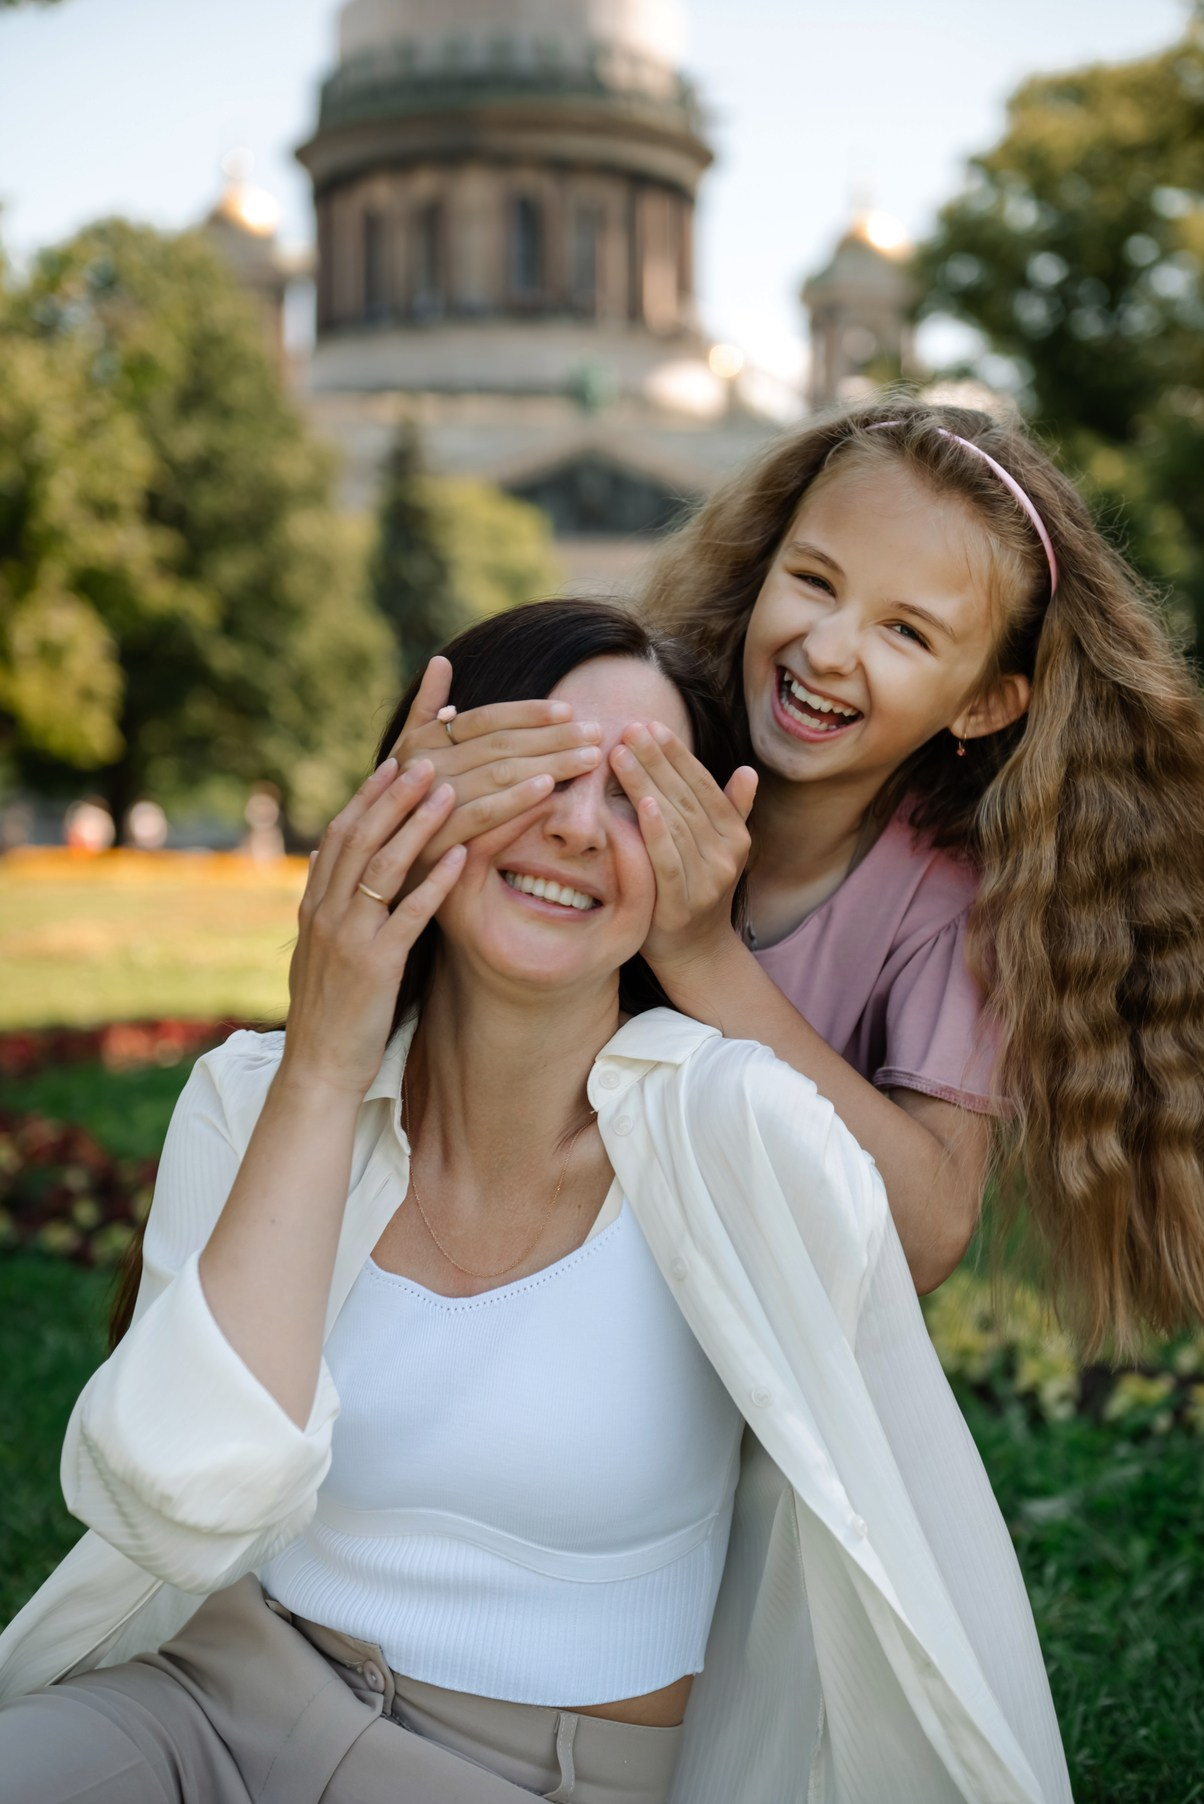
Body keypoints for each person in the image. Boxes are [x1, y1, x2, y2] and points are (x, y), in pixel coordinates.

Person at [0, 601, 1070, 1804]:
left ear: (698, 861)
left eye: (632, 794)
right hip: (203, 1699)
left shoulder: (739, 1136)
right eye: (534, 768)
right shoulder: (254, 1097)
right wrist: (325, 1056)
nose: (572, 823)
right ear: (417, 795)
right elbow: (171, 1501)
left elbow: (918, 1567)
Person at [390, 400, 1204, 1354]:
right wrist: (416, 825)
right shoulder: (633, 751)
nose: (828, 648)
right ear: (764, 563)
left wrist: (702, 956)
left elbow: (929, 1234)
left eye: (907, 633)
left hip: (737, 1358)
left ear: (983, 702)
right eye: (814, 581)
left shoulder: (947, 907)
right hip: (499, 1273)